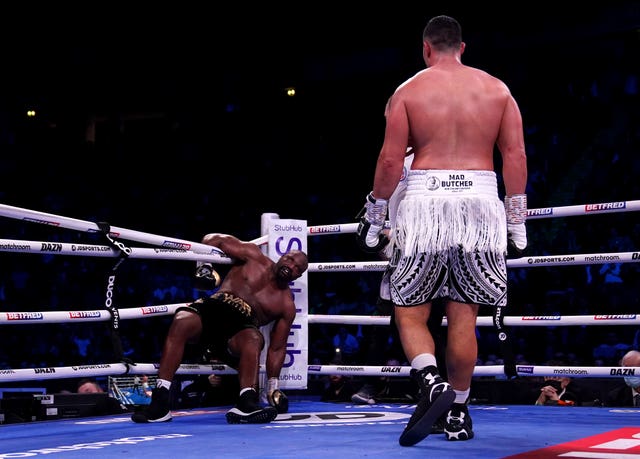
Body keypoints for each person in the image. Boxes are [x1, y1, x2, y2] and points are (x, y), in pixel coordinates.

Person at [356, 15, 527, 446]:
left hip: (424, 207)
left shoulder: (409, 91)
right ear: (463, 48)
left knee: (411, 310)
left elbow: (392, 161)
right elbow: (515, 154)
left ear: (426, 48)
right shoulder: (497, 89)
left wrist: (376, 213)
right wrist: (516, 218)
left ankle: (431, 381)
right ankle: (458, 413)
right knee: (464, 316)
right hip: (481, 207)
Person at [131, 233, 308, 424]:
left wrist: (273, 386)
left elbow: (277, 347)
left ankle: (246, 403)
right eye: (290, 259)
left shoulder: (286, 304)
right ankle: (160, 402)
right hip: (213, 310)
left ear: (299, 275)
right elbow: (212, 239)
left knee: (254, 339)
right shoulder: (252, 255)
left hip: (238, 332)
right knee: (181, 320)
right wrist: (205, 267)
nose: (291, 266)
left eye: (298, 268)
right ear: (282, 256)